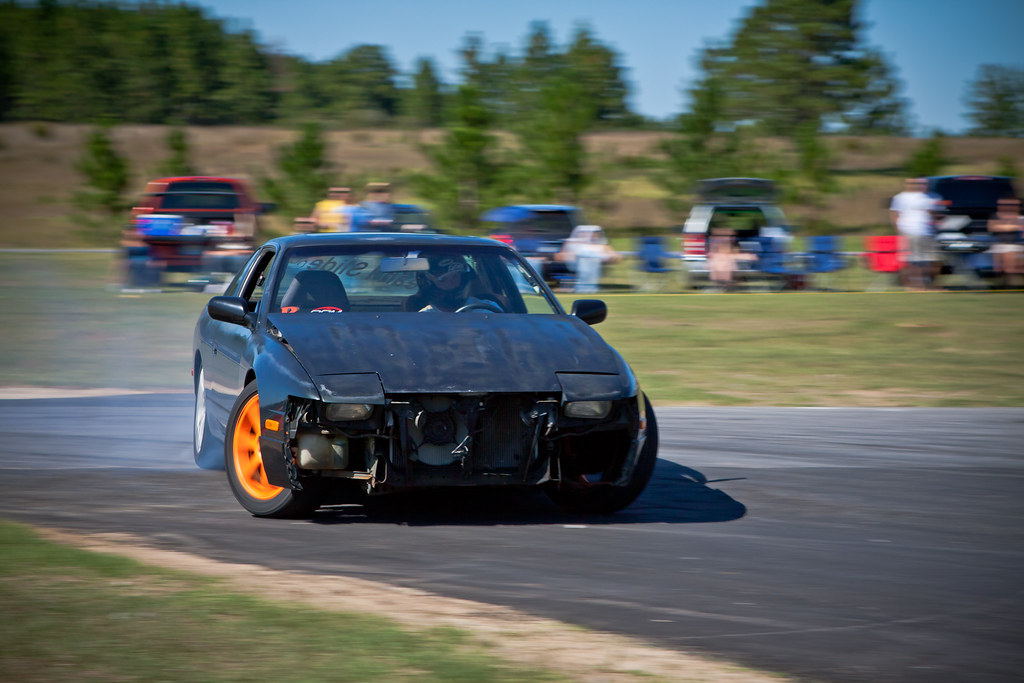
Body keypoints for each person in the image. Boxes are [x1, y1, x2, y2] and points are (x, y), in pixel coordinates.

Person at [405, 253, 502, 313]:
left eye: (455, 276)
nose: (451, 283)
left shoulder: (487, 310)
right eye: (443, 280)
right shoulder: (423, 318)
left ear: (463, 277)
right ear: (429, 283)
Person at [889, 178, 938, 290]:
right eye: (911, 183)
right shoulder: (899, 197)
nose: (915, 185)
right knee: (910, 260)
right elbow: (894, 214)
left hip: (925, 232)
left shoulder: (927, 197)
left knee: (925, 260)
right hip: (908, 232)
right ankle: (911, 284)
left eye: (920, 183)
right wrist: (898, 228)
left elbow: (933, 214)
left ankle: (922, 284)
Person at [559, 225, 620, 294]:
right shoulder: (572, 243)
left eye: (596, 234)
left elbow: (614, 256)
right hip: (579, 275)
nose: (595, 236)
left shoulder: (600, 245)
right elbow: (562, 256)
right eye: (593, 234)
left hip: (593, 278)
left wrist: (609, 256)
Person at [988, 197, 1024, 288]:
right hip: (999, 243)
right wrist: (1011, 226)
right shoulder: (996, 215)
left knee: (1010, 266)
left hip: (1014, 244)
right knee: (999, 267)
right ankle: (1002, 284)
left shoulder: (1020, 216)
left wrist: (1005, 226)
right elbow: (992, 227)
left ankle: (1008, 285)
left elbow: (1020, 227)